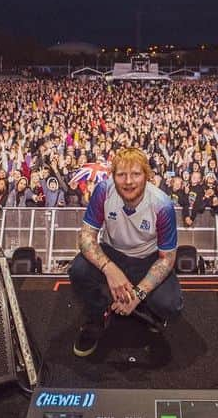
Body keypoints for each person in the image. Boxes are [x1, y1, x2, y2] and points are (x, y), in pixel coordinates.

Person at [67, 147, 182, 357]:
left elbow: (167, 259)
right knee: (78, 271)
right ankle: (97, 316)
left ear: (147, 176)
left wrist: (137, 295)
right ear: (113, 176)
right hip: (113, 253)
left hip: (148, 259)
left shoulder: (162, 205)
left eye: (136, 174)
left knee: (170, 305)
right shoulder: (103, 190)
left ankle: (146, 310)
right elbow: (85, 238)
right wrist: (110, 269)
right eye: (121, 174)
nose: (128, 181)